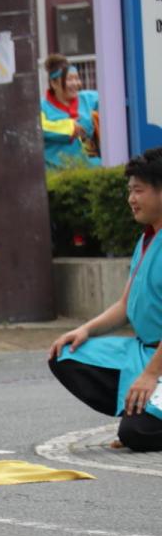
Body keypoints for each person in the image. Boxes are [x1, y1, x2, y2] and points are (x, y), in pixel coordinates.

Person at [48, 148, 162, 451]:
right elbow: (125, 305)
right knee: (65, 354)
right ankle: (138, 408)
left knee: (137, 434)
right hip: (144, 352)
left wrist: (151, 374)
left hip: (157, 361)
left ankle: (143, 414)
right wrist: (85, 330)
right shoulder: (148, 237)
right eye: (130, 191)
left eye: (139, 190)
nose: (131, 199)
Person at [41, 54, 100, 170]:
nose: (75, 83)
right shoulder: (42, 107)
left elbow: (113, 105)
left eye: (77, 78)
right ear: (54, 83)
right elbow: (39, 128)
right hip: (56, 173)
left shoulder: (89, 99)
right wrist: (70, 127)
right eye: (69, 79)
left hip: (92, 170)